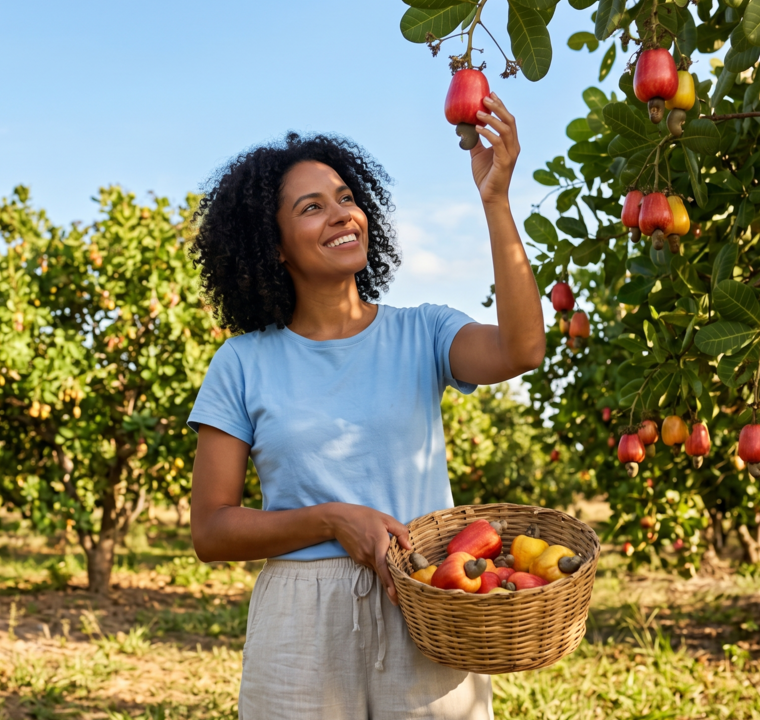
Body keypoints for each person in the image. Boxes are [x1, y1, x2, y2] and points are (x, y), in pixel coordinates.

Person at [186, 95, 544, 719]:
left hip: (430, 595)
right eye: (312, 207)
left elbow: (523, 348)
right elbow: (211, 530)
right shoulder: (241, 364)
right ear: (273, 247)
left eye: (346, 198)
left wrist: (495, 200)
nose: (341, 215)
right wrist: (330, 520)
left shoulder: (424, 333)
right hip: (300, 624)